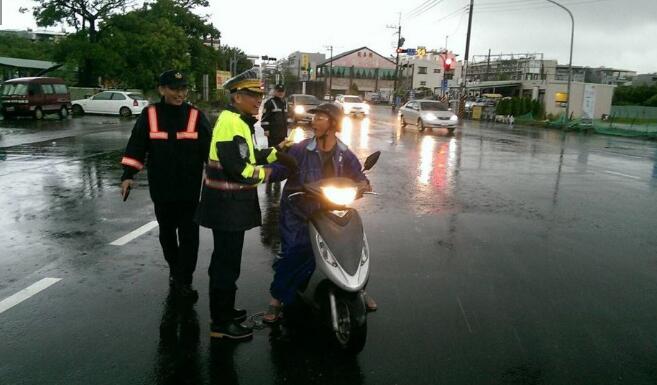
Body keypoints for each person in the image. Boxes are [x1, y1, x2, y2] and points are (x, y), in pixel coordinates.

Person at [195, 69, 297, 341]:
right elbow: (239, 169)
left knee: (228, 263)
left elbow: (250, 154)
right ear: (237, 96)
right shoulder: (230, 123)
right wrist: (274, 173)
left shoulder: (240, 121)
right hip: (226, 206)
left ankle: (226, 311)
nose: (258, 101)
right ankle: (220, 323)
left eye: (260, 96)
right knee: (225, 266)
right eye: (253, 96)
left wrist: (278, 151)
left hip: (231, 205)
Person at [262, 102, 377, 324]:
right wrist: (263, 173)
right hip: (298, 211)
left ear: (333, 123)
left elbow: (358, 175)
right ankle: (277, 299)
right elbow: (280, 169)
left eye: (320, 118)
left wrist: (363, 184)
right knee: (297, 251)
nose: (314, 122)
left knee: (352, 245)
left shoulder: (344, 153)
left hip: (330, 210)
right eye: (314, 118)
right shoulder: (301, 148)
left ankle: (358, 290)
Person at [120, 70, 211, 302]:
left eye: (183, 89)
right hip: (162, 189)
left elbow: (210, 152)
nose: (179, 94)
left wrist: (216, 179)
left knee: (190, 236)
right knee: (167, 234)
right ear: (162, 89)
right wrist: (128, 175)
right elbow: (137, 145)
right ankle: (175, 268)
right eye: (174, 89)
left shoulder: (195, 116)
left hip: (189, 190)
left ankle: (184, 280)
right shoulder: (149, 116)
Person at [261, 84, 288, 193]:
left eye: (282, 91)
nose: (281, 93)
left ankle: (277, 179)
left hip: (282, 134)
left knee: (280, 156)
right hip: (273, 134)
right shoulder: (269, 102)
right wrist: (266, 129)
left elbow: (285, 118)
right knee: (272, 155)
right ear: (275, 91)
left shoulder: (284, 102)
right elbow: (264, 118)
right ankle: (269, 177)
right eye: (279, 91)